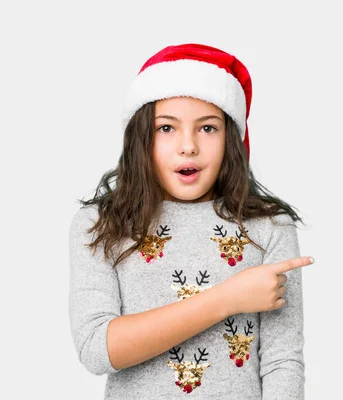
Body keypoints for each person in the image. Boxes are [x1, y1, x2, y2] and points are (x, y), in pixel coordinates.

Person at [68, 43, 313, 399]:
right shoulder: (100, 224)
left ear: (232, 138)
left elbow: (282, 361)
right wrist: (227, 298)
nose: (188, 146)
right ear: (141, 138)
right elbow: (97, 349)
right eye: (167, 128)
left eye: (208, 128)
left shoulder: (269, 227)